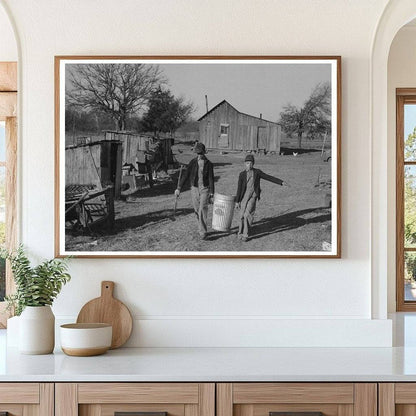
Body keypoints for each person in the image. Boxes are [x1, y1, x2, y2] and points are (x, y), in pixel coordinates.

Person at [235, 154, 289, 241]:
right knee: (241, 215)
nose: (247, 165)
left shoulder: (257, 172)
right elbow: (239, 188)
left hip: (253, 196)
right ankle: (240, 233)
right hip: (244, 196)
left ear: (253, 164)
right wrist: (237, 201)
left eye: (249, 163)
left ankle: (245, 234)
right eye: (246, 163)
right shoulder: (242, 174)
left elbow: (268, 177)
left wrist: (281, 182)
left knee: (247, 215)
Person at [174, 142, 214, 239]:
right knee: (196, 210)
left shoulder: (209, 164)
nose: (199, 155)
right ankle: (200, 226)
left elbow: (211, 179)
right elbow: (186, 175)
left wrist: (212, 193)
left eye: (201, 153)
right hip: (194, 189)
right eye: (198, 153)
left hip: (205, 189)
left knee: (202, 209)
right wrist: (179, 188)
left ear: (204, 153)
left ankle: (203, 232)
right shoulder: (192, 162)